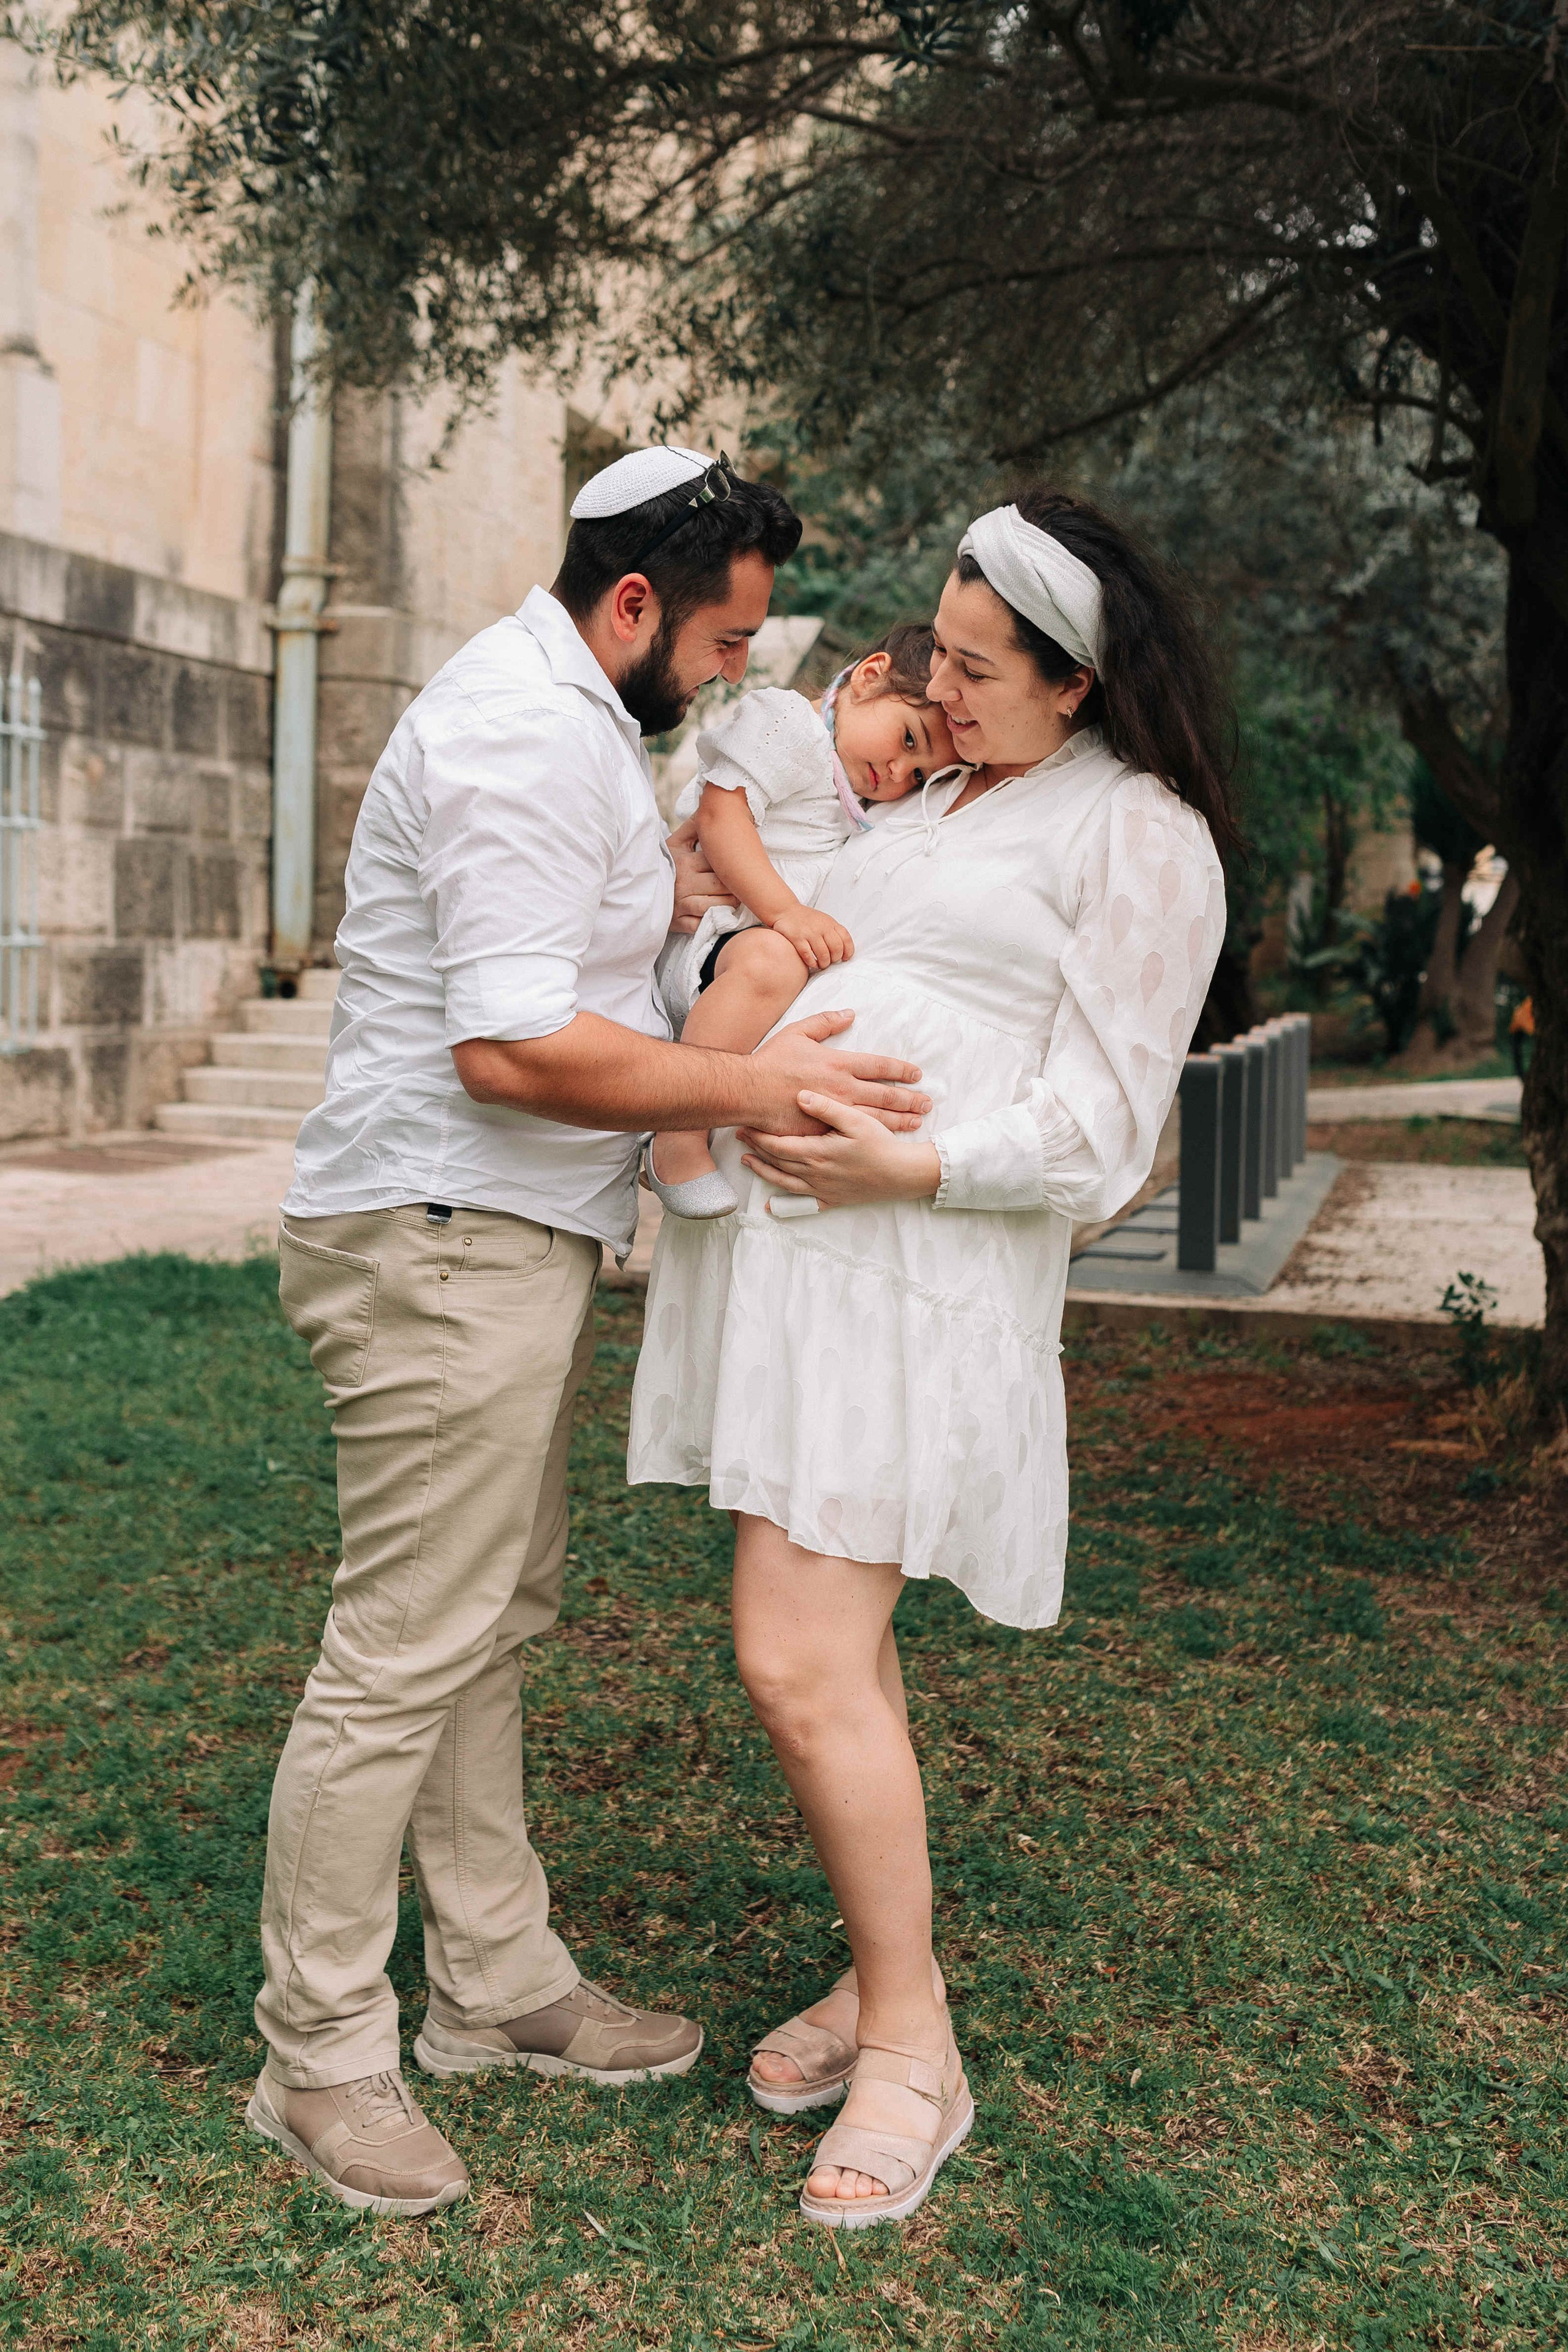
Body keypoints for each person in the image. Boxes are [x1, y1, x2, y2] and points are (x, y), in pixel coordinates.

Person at [249, 445, 932, 2218]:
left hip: (505, 1237)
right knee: (404, 1646)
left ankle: (495, 1986)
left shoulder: (581, 722)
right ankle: (319, 2053)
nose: (727, 680)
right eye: (718, 646)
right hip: (437, 1239)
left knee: (487, 1621)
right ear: (634, 603)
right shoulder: (520, 731)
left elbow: (562, 967)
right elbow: (510, 1050)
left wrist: (692, 919)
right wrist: (749, 1079)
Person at [629, 486, 1235, 2228]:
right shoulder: (936, 799)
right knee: (843, 1661)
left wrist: (916, 1159)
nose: (939, 694)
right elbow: (780, 939)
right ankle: (877, 1975)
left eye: (976, 672)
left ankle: (915, 2045)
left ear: (1081, 682)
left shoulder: (1141, 837)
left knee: (794, 1658)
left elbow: (1112, 1129)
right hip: (807, 1285)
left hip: (919, 1283)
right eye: (942, 657)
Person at [649, 628, 957, 1216]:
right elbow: (721, 813)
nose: (896, 771)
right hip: (708, 942)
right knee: (773, 958)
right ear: (869, 677)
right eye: (908, 738)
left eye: (918, 775)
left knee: (778, 963)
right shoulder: (789, 724)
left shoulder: (856, 793)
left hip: (739, 967)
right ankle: (675, 1137)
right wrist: (786, 913)